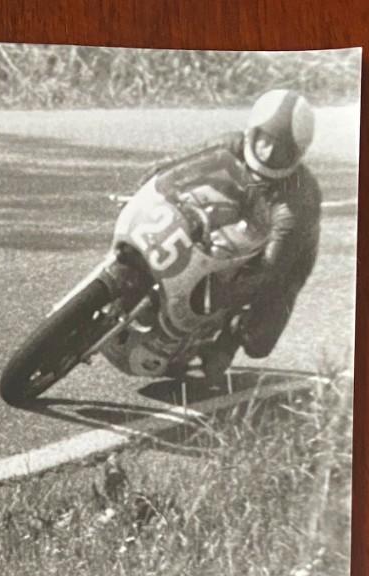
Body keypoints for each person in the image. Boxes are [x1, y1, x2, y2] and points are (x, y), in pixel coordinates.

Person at [107, 89, 321, 381]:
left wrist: (224, 315)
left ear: (298, 152)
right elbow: (169, 169)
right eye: (265, 139)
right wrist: (141, 196)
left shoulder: (299, 197)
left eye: (281, 147)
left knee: (259, 339)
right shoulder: (229, 145)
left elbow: (271, 267)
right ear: (252, 131)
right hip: (228, 217)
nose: (269, 153)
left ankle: (222, 342)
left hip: (283, 255)